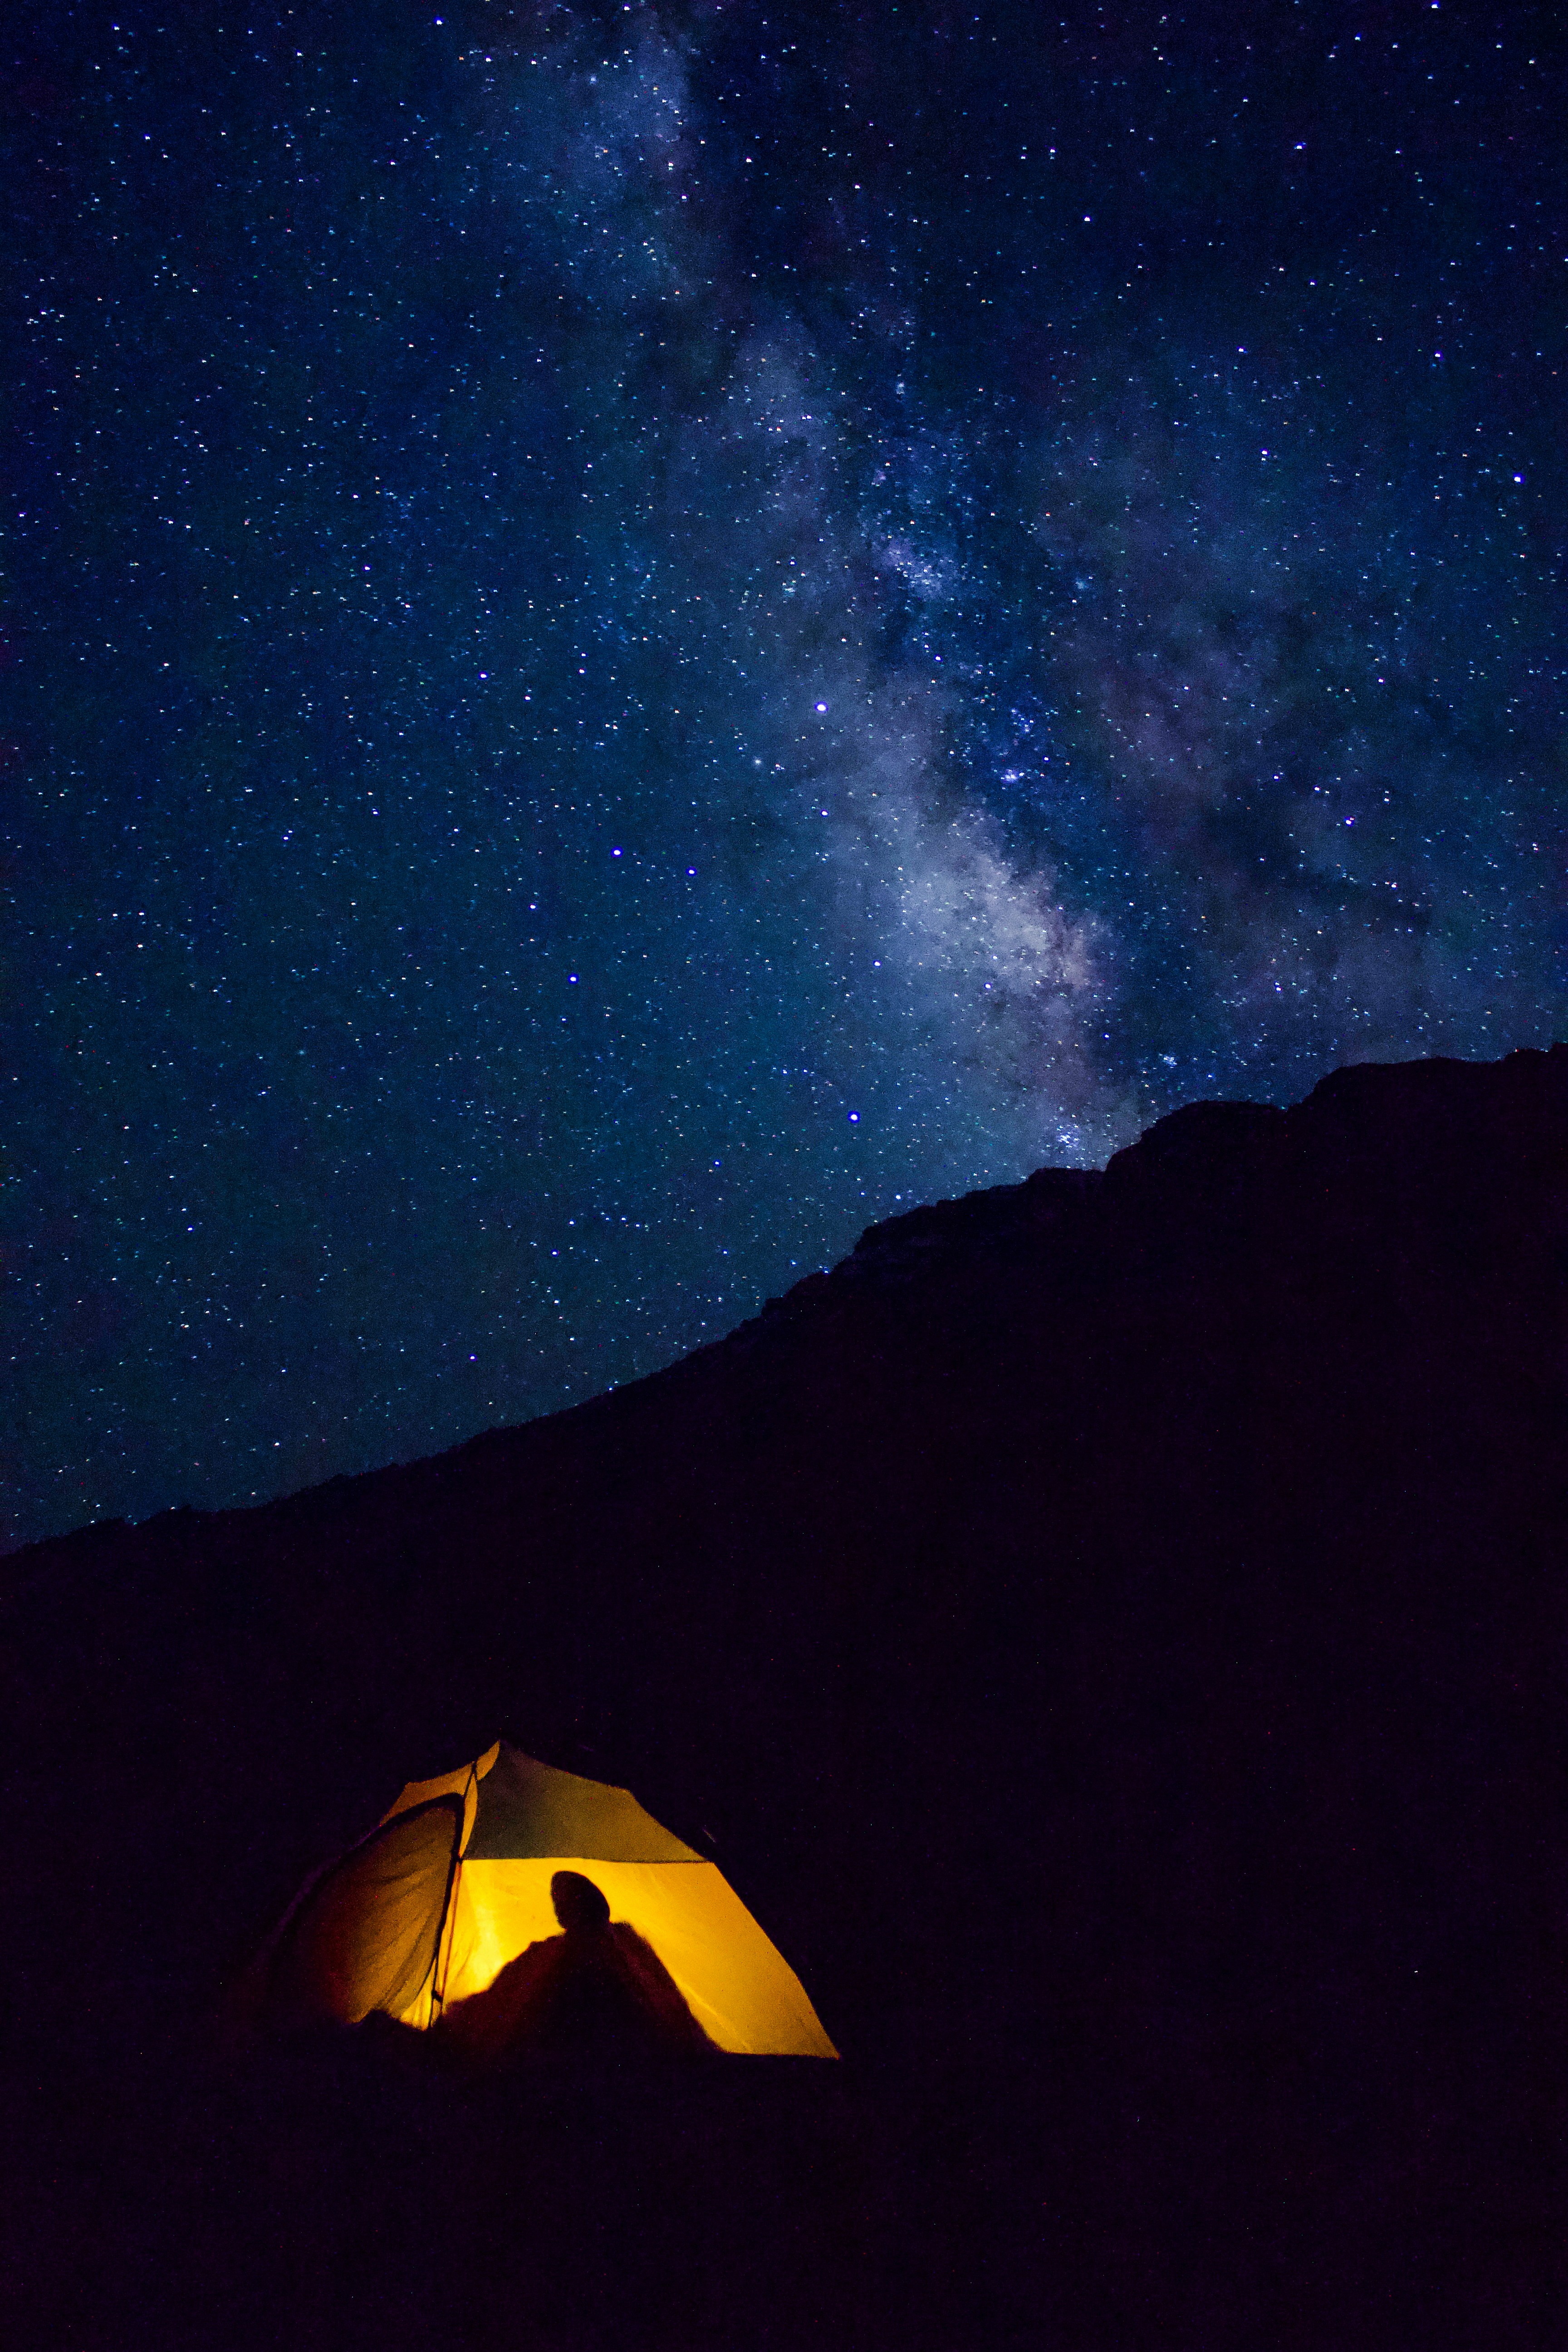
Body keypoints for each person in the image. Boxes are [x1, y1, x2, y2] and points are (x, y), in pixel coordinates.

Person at [435, 1871, 715, 2068]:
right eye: (561, 1901)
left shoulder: (617, 1945)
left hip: (588, 2054)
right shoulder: (619, 1943)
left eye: (564, 1901)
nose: (560, 1909)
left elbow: (504, 2000)